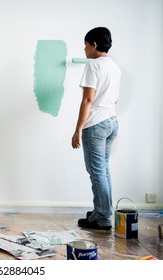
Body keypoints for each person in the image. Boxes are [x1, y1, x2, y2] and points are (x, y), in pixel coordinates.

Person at [71, 27, 121, 230]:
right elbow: (115, 97)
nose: (84, 48)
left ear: (94, 44)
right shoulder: (114, 66)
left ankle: (102, 217)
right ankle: (101, 211)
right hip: (111, 121)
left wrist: (78, 129)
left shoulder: (94, 66)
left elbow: (88, 100)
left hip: (96, 125)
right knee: (103, 170)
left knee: (96, 172)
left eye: (85, 44)